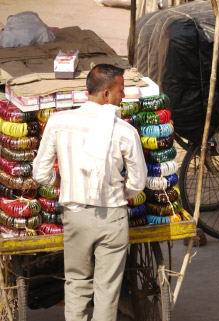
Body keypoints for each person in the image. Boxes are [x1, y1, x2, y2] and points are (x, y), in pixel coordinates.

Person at [33, 64, 147, 321]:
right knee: (107, 289)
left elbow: (40, 174)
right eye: (120, 89)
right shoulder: (125, 132)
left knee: (76, 283)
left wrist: (60, 180)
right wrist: (121, 190)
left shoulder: (58, 122)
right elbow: (138, 183)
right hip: (113, 218)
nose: (124, 95)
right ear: (106, 94)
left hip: (76, 216)